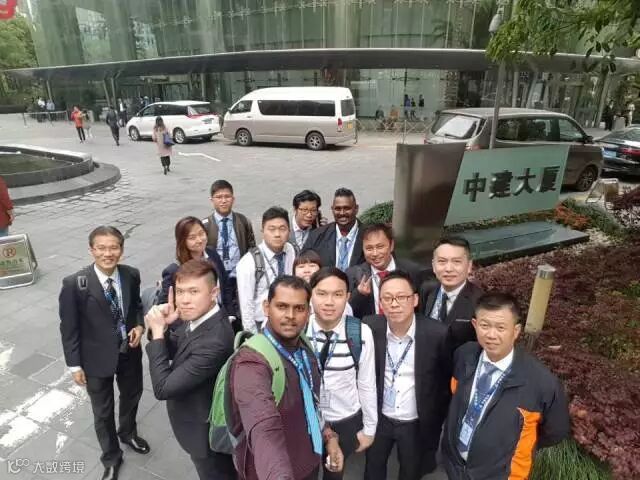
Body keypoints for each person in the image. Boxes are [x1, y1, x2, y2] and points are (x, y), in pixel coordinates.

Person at [441, 292, 570, 479]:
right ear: (475, 325)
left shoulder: (541, 383)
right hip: (455, 467)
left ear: (516, 331)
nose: (491, 335)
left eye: (500, 327)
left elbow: (555, 431)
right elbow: (455, 394)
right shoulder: (464, 355)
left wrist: (510, 444)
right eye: (485, 325)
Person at [228, 275, 344, 480]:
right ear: (266, 308)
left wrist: (329, 436)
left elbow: (312, 401)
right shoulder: (251, 362)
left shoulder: (304, 347)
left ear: (308, 312)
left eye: (299, 308)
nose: (290, 315)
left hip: (310, 461)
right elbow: (263, 427)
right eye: (282, 306)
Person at [59, 226, 149, 480]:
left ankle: (128, 433)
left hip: (129, 351)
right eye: (101, 248)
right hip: (95, 358)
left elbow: (137, 306)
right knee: (102, 411)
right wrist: (75, 365)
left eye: (113, 247)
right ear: (92, 250)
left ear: (121, 249)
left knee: (132, 395)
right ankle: (111, 456)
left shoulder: (131, 274)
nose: (108, 253)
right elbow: (69, 327)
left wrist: (139, 326)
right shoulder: (75, 284)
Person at [145, 259, 236, 479]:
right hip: (194, 420)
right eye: (180, 291)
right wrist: (164, 327)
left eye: (194, 291)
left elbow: (162, 388)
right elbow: (177, 347)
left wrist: (156, 333)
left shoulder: (215, 340)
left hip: (205, 438)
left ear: (214, 293)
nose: (184, 300)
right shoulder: (200, 315)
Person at [363, 271, 451, 480]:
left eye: (401, 297)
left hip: (414, 420)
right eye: (387, 298)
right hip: (379, 417)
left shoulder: (437, 333)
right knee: (373, 467)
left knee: (410, 471)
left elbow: (444, 379)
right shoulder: (370, 327)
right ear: (381, 303)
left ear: (415, 300)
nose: (394, 304)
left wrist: (435, 417)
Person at [306, 267, 378, 480]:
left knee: (334, 471)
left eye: (337, 295)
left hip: (344, 418)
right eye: (321, 293)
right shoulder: (299, 330)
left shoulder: (359, 332)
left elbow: (366, 383)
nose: (329, 302)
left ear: (347, 297)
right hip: (306, 418)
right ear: (310, 295)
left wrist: (369, 429)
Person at [203, 179, 256, 320]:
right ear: (211, 200)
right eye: (219, 197)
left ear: (233, 199)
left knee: (242, 308)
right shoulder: (205, 226)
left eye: (227, 196)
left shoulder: (243, 221)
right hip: (217, 276)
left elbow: (252, 247)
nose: (223, 201)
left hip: (238, 273)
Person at [419, 236, 484, 350]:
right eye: (442, 261)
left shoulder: (480, 301)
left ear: (469, 266)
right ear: (433, 266)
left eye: (456, 262)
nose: (448, 269)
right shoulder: (427, 289)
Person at [237, 206, 295, 333]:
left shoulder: (290, 250)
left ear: (289, 231)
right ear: (262, 231)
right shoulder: (248, 262)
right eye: (271, 229)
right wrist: (252, 336)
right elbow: (246, 305)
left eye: (282, 229)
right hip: (262, 324)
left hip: (289, 319)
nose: (277, 234)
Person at [346, 223, 422, 319]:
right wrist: (359, 294)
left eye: (380, 247)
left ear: (391, 245)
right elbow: (346, 311)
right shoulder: (353, 274)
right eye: (369, 248)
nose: (375, 253)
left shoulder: (412, 271)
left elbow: (420, 308)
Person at [158, 217, 231, 311]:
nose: (199, 240)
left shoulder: (212, 253)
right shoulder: (174, 270)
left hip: (220, 313)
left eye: (201, 234)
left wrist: (230, 313)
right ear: (182, 241)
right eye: (192, 238)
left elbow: (225, 284)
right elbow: (164, 306)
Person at [301, 188, 365, 271]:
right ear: (332, 209)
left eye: (347, 208)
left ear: (356, 209)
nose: (342, 213)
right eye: (338, 209)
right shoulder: (317, 235)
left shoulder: (368, 235)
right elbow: (302, 265)